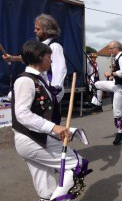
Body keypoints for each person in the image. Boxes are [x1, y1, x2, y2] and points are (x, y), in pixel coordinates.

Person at [12, 41, 91, 201]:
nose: (51, 60)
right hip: (31, 140)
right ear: (39, 57)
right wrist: (53, 127)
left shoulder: (38, 80)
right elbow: (22, 113)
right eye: (49, 56)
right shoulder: (26, 80)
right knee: (78, 164)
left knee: (46, 189)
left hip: (33, 139)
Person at [3, 14, 67, 123]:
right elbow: (32, 60)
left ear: (47, 30)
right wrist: (12, 58)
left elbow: (60, 70)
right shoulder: (41, 47)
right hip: (39, 87)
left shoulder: (54, 46)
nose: (34, 31)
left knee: (47, 120)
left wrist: (54, 91)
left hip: (48, 89)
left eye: (38, 29)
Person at [94, 41, 122, 145]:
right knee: (97, 84)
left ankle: (121, 132)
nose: (109, 50)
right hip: (116, 84)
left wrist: (112, 73)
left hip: (121, 88)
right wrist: (112, 76)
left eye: (110, 48)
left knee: (117, 112)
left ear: (116, 48)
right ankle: (97, 104)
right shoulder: (118, 57)